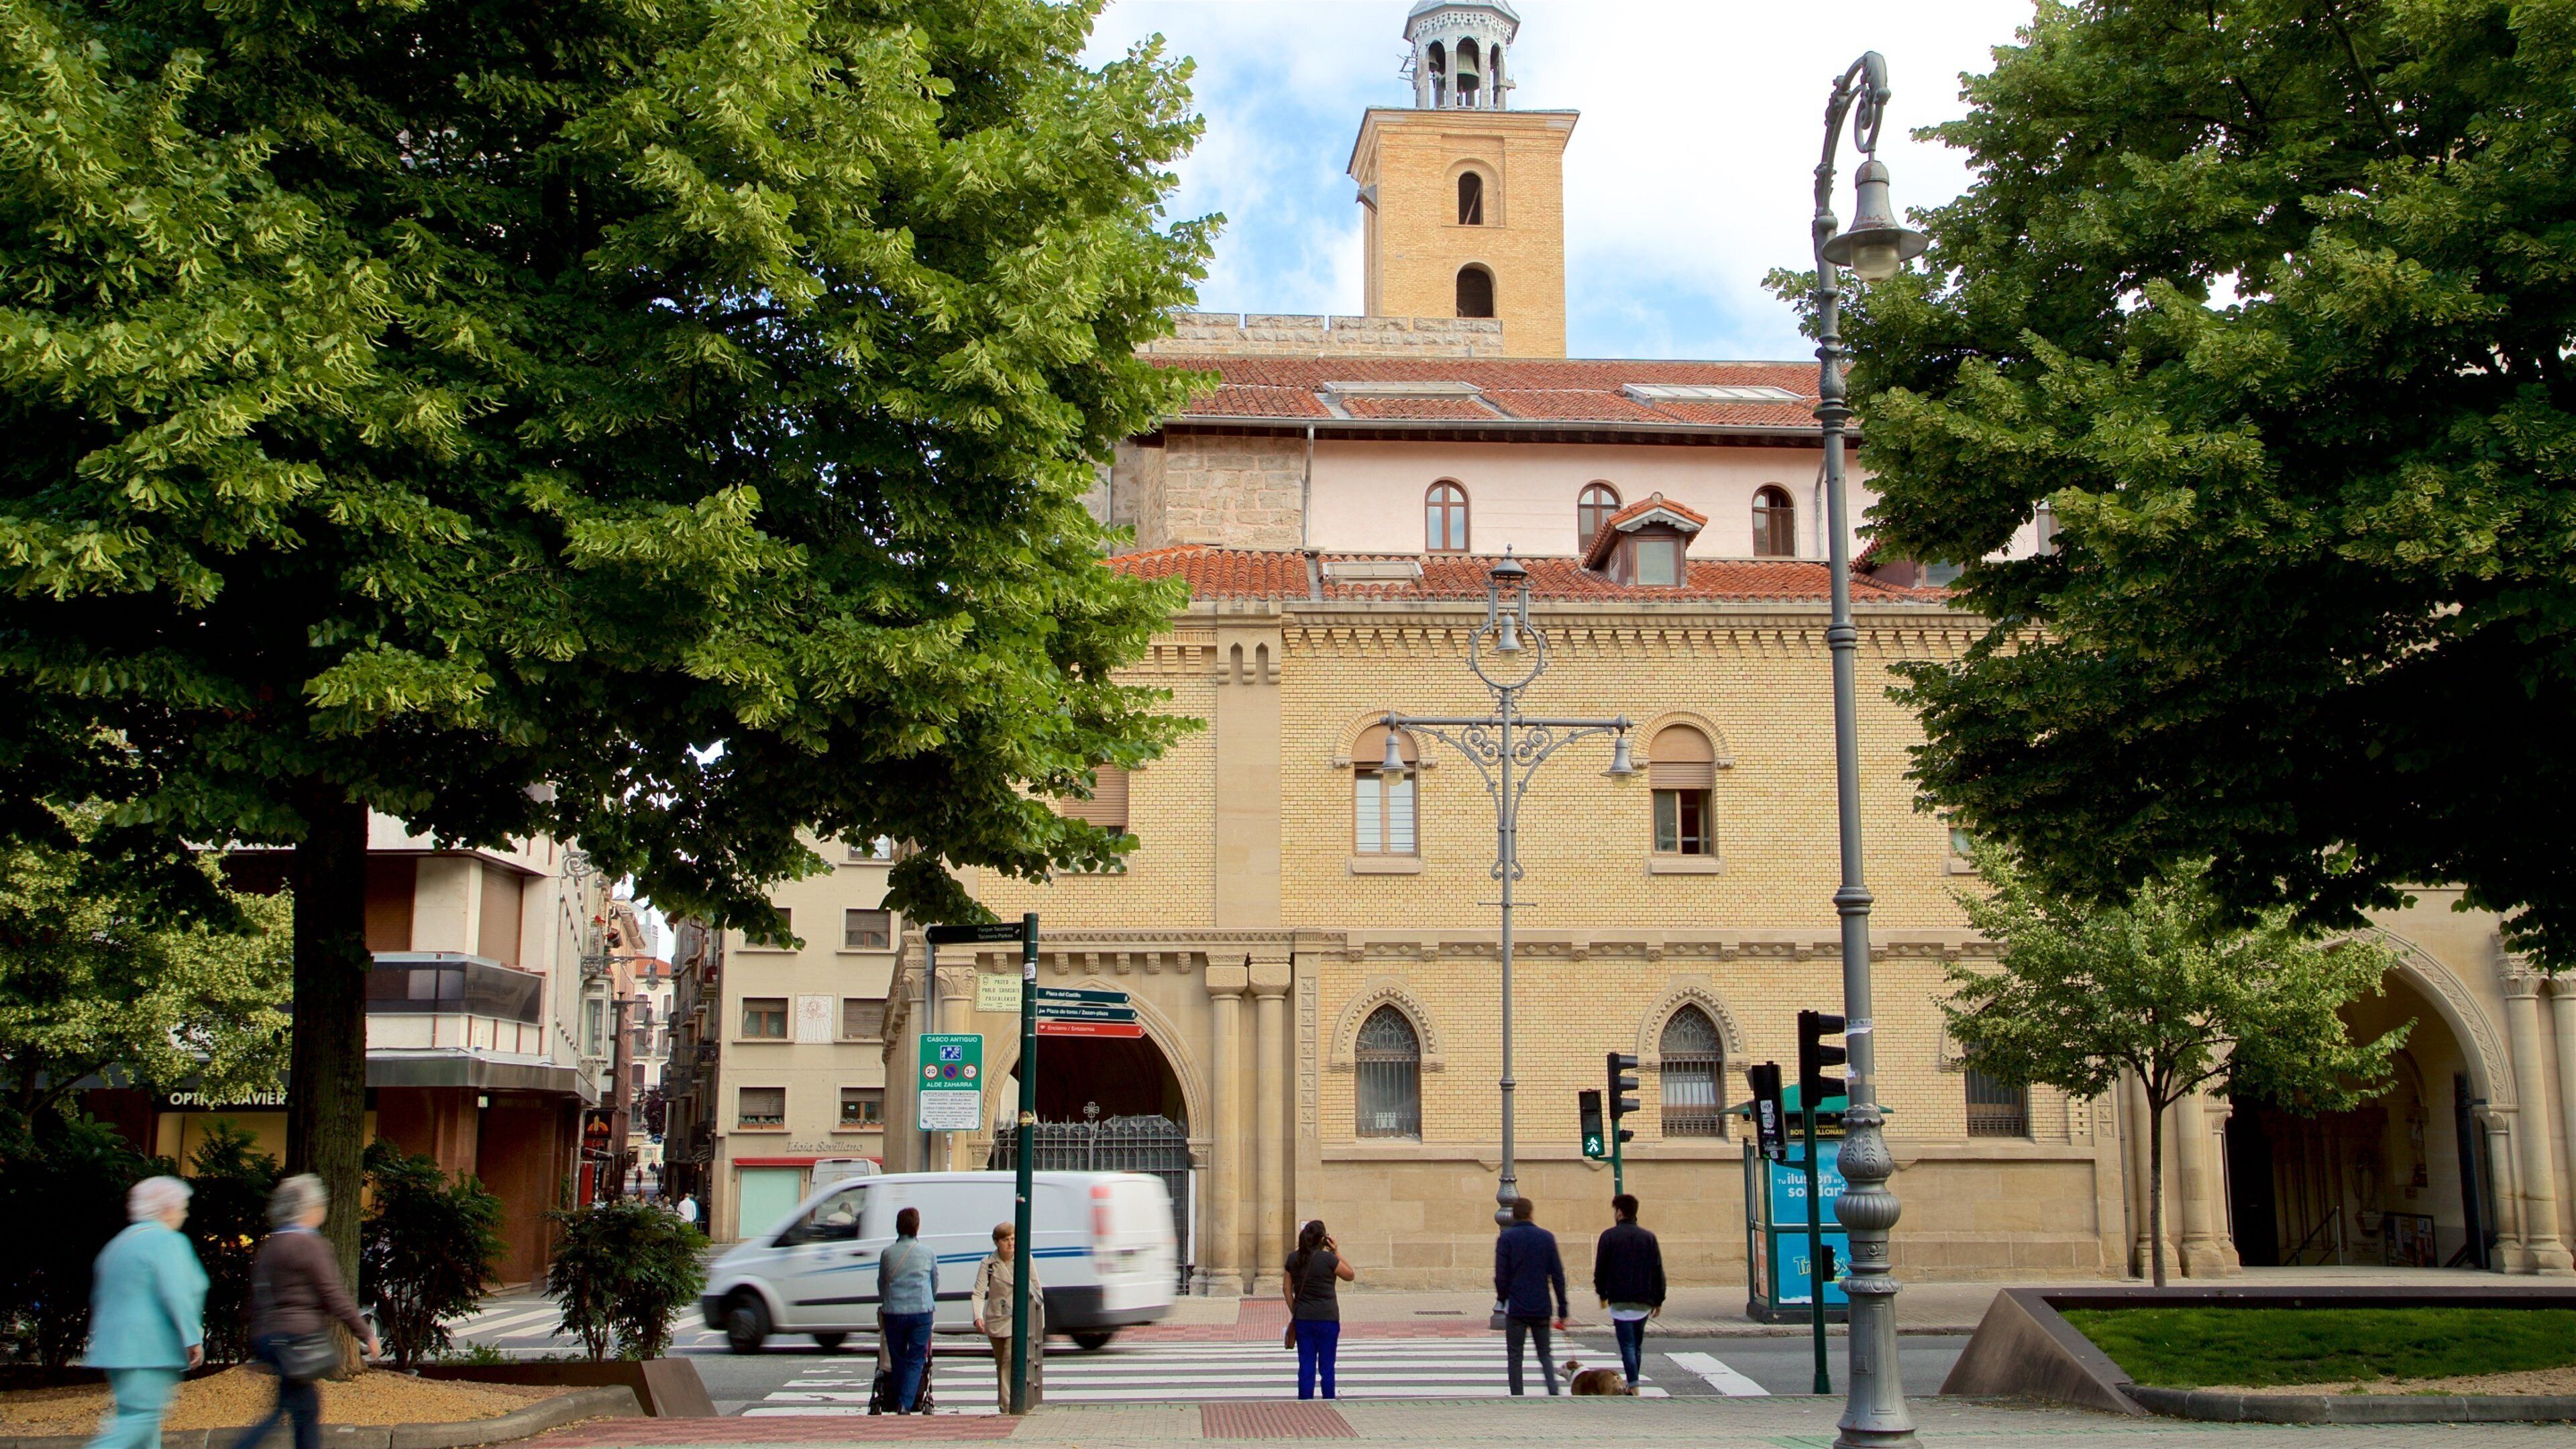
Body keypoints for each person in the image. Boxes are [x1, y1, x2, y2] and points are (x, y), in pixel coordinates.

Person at [239, 1175, 379, 1449]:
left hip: (272, 1338)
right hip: (298, 1338)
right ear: (309, 1208)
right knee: (303, 1412)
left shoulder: (271, 1244)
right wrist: (365, 1333)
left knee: (294, 1409)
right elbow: (333, 1295)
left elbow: (256, 1295)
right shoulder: (310, 1244)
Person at [84, 1177, 207, 1449]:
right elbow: (177, 1293)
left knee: (138, 1419)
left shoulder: (118, 1244)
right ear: (166, 1209)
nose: (185, 1214)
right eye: (182, 1207)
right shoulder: (168, 1241)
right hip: (150, 1348)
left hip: (115, 1349)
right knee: (142, 1417)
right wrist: (192, 1336)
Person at [1493, 1197, 1567, 1396]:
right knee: (1545, 1353)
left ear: (1513, 1216)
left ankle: (1517, 1395)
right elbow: (1558, 1275)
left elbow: (1501, 1275)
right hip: (1541, 1305)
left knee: (1515, 1355)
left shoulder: (1506, 1239)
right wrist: (1563, 1308)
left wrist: (1503, 1298)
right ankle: (1553, 1392)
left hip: (1516, 1307)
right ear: (1531, 1214)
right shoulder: (1546, 1238)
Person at [1591, 1193, 1666, 1389]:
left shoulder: (1608, 1237)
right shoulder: (1648, 1238)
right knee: (1636, 1344)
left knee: (1627, 1346)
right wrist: (1659, 1300)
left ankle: (1634, 1386)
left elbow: (1601, 1269)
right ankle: (1634, 1382)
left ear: (1620, 1213)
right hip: (1643, 1301)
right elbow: (1658, 1271)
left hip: (1620, 1300)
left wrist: (1602, 1294)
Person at [971, 1223, 1044, 1411]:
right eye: (1006, 1240)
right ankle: (1006, 1400)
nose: (1011, 1244)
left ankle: (1007, 1405)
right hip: (995, 1318)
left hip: (1016, 1319)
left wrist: (1039, 1319)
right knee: (1001, 1362)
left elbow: (1037, 1290)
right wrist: (977, 1316)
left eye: (1013, 1239)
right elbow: (978, 1292)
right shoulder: (988, 1263)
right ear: (997, 1242)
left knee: (1008, 1360)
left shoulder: (1024, 1259)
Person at [1283, 1220, 1354, 1400]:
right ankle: (1328, 1400)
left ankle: (1305, 1402)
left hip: (1304, 1320)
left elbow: (1286, 1288)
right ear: (1323, 1239)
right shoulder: (1329, 1259)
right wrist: (1336, 1251)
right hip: (1327, 1318)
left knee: (1306, 1364)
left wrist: (1295, 1311)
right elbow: (1350, 1275)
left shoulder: (1293, 1259)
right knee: (1327, 1365)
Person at [877, 1206, 936, 1413]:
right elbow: (934, 1282)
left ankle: (899, 1399)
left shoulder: (887, 1254)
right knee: (917, 1357)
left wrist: (887, 1301)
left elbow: (882, 1284)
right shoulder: (927, 1252)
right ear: (917, 1227)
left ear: (898, 1227)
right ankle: (906, 1403)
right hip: (921, 1311)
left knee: (897, 1356)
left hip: (894, 1312)